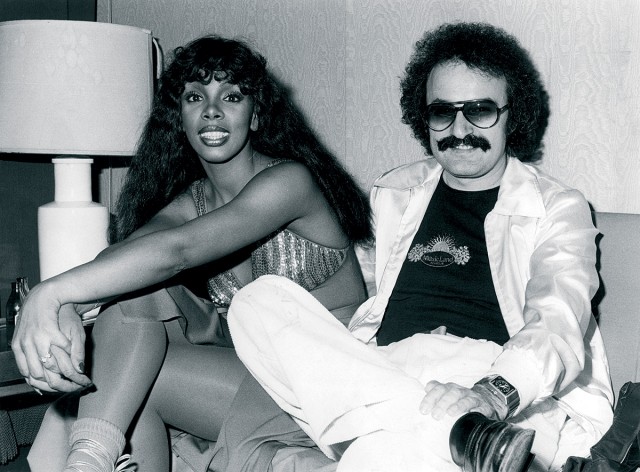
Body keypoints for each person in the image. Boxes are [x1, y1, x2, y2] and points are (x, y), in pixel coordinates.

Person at [225, 22, 615, 472]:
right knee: (257, 301)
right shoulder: (396, 191)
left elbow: (558, 317)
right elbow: (350, 291)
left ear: (514, 115)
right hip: (389, 370)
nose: (460, 128)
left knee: (375, 456)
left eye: (481, 111)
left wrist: (490, 395)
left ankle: (465, 429)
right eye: (442, 112)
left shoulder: (556, 207)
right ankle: (464, 436)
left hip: (496, 379)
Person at [11, 35, 372, 472]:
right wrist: (67, 305)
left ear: (256, 115)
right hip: (255, 375)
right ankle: (87, 463)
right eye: (195, 97)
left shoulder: (289, 182)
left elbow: (177, 252)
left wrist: (47, 295)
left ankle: (87, 459)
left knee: (125, 378)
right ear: (179, 118)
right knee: (133, 302)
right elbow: (128, 258)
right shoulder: (190, 204)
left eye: (232, 96)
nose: (212, 110)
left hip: (328, 385)